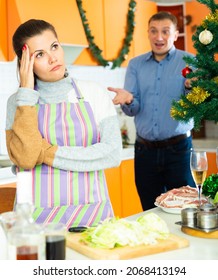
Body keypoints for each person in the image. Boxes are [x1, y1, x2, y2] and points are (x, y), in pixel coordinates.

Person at [6, 19, 122, 229]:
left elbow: (112, 153)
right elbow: (26, 158)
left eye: (54, 46)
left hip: (92, 215)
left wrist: (46, 153)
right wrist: (26, 95)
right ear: (25, 63)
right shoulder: (18, 102)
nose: (53, 58)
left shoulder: (94, 92)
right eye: (39, 54)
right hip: (36, 221)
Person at [108, 11, 196, 211]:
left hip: (179, 150)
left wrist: (191, 87)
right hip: (145, 152)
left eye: (165, 31)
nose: (159, 37)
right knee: (149, 210)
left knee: (185, 210)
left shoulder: (190, 62)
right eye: (154, 31)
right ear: (147, 33)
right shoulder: (135, 65)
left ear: (175, 34)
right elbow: (133, 110)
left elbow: (198, 104)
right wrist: (129, 99)